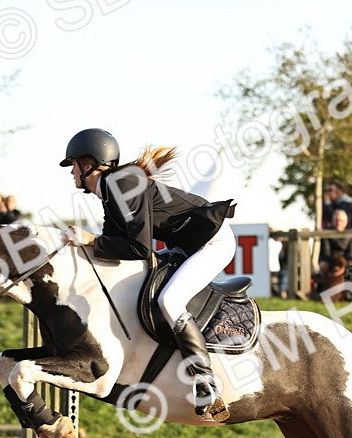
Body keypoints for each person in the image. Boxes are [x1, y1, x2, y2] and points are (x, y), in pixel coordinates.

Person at [59, 127, 237, 421]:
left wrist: (89, 240)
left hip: (212, 242)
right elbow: (115, 245)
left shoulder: (123, 183)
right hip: (185, 245)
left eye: (73, 165)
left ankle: (206, 382)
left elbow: (139, 249)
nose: (72, 173)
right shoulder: (110, 192)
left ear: (89, 163)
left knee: (169, 300)